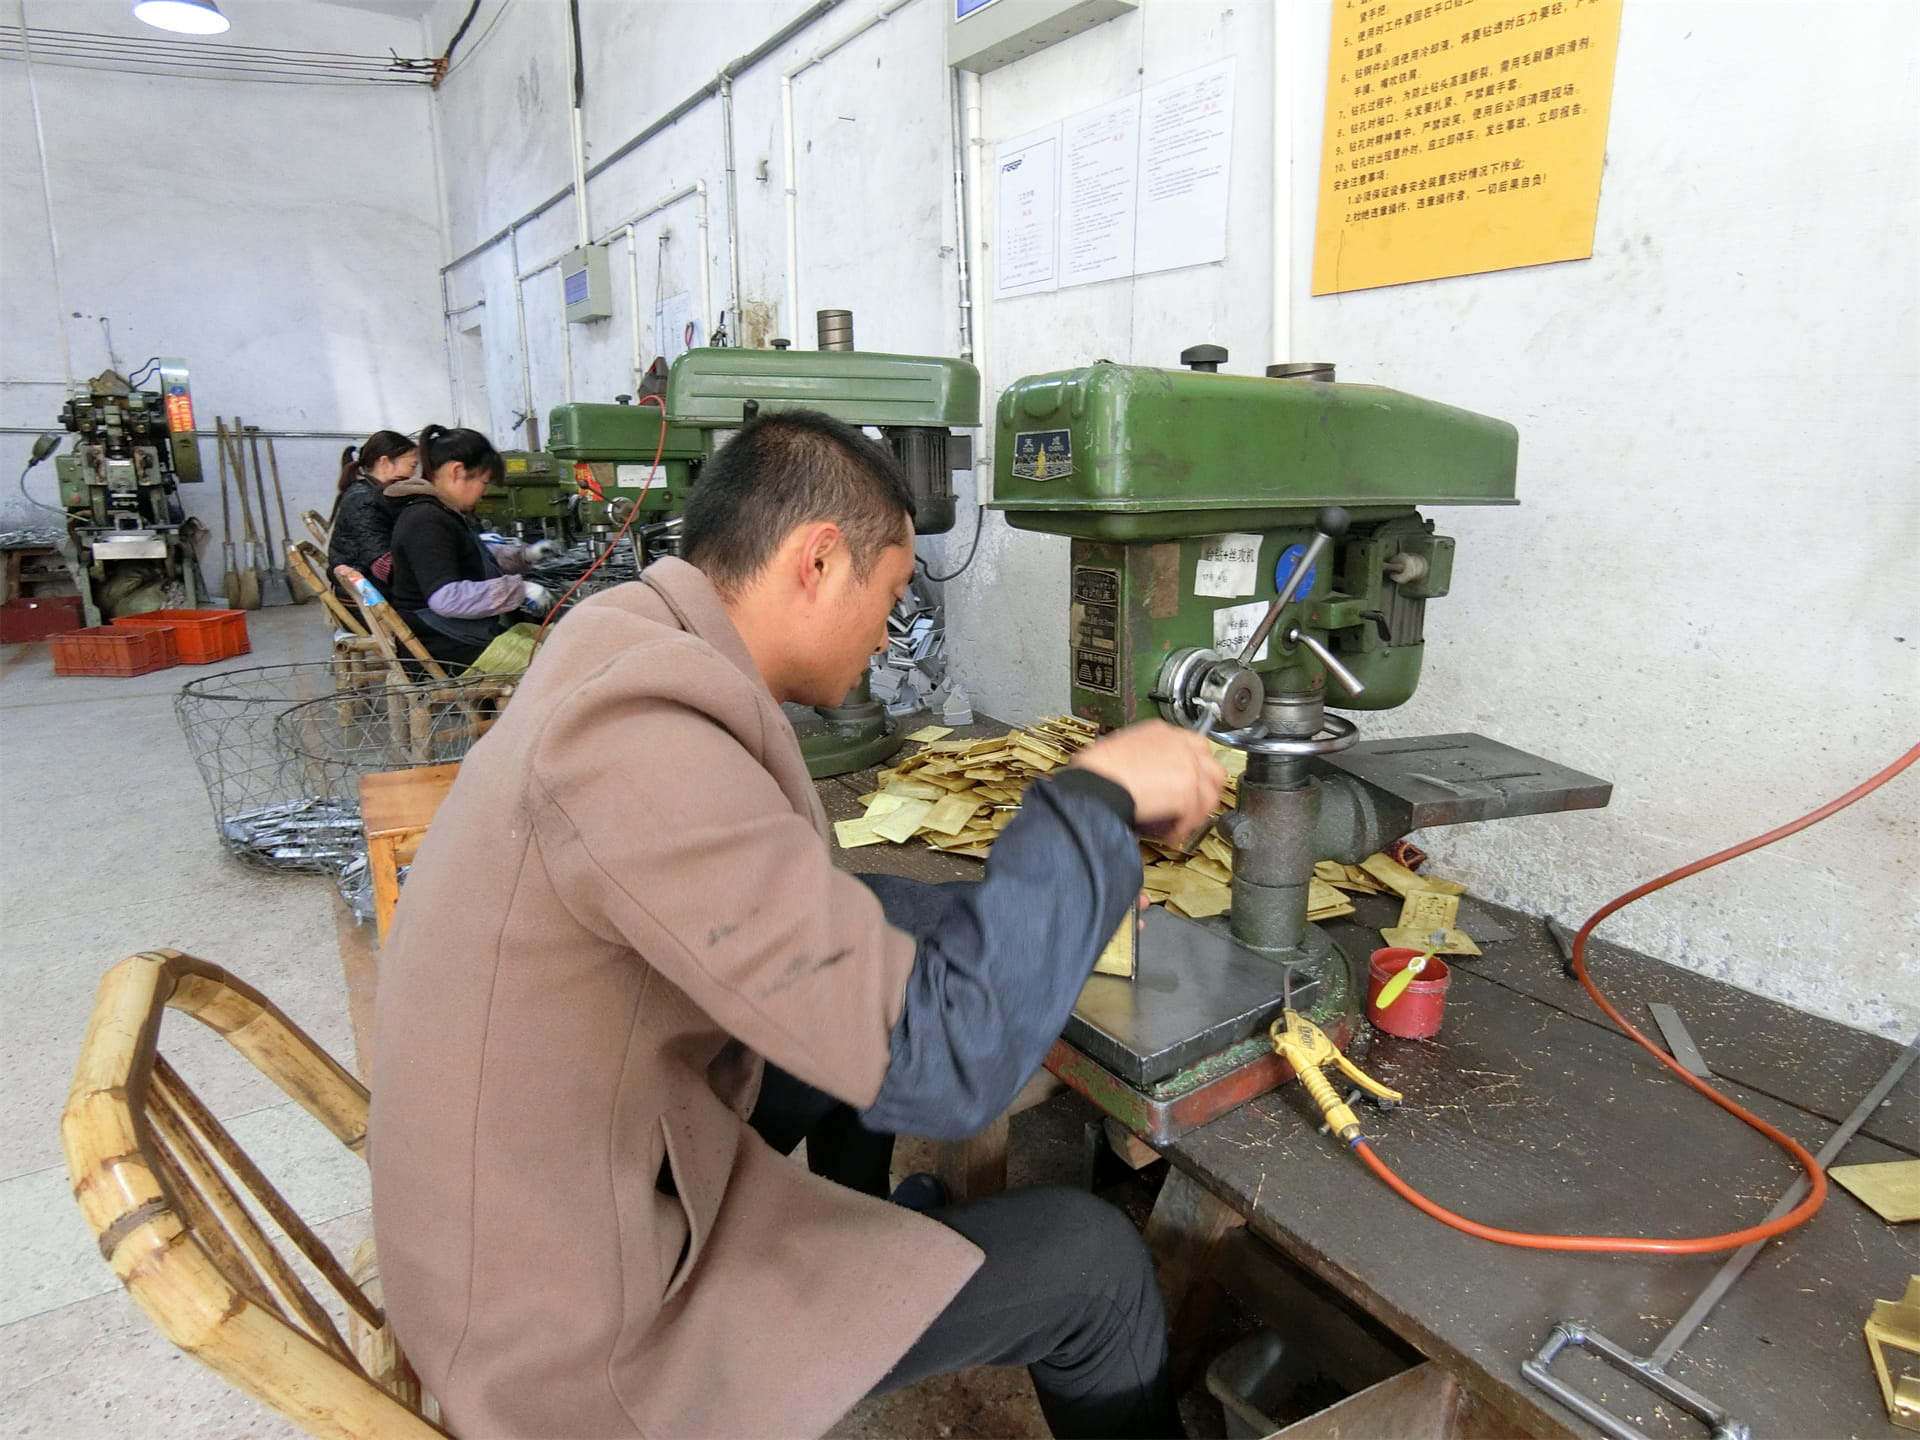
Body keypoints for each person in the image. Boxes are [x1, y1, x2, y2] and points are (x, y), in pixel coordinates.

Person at [369, 409, 1227, 1439]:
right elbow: (953, 1067)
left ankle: (871, 1238)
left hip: (568, 1189)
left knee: (879, 940)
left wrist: (1026, 909)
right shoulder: (634, 741)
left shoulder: (622, 646)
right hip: (577, 1332)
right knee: (1092, 1266)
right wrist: (1087, 805)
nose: (890, 633)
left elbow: (836, 919)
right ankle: (872, 1277)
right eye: (892, 597)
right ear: (817, 562)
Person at [382, 424, 554, 667]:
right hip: (444, 650)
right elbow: (445, 598)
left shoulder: (442, 512)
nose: (483, 493)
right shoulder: (426, 519)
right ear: (457, 471)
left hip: (453, 638)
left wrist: (524, 556)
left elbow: (472, 557)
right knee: (557, 663)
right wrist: (518, 590)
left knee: (558, 639)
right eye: (484, 482)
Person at [325, 430, 416, 587]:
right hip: (367, 588)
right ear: (384, 463)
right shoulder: (364, 499)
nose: (413, 474)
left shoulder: (368, 490)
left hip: (367, 578)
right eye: (412, 466)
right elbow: (382, 562)